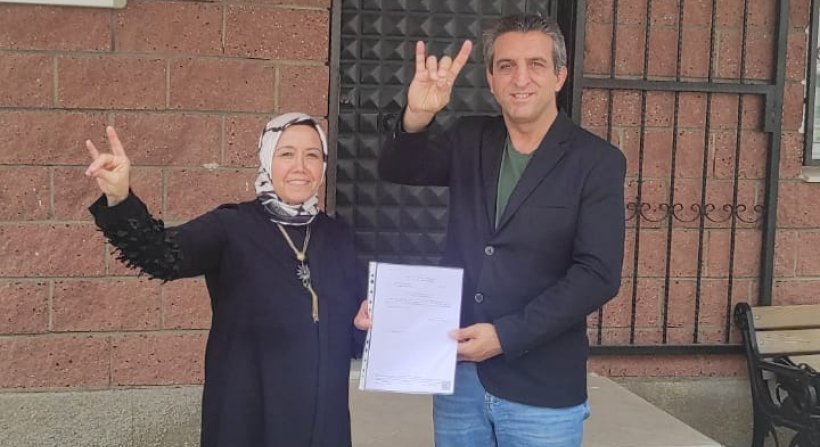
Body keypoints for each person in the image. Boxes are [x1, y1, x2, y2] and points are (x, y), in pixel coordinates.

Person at [363, 13, 626, 447]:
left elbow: (597, 275)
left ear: (560, 75)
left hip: (542, 389)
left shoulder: (596, 161)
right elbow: (400, 168)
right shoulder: (470, 137)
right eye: (506, 66)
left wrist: (506, 336)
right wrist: (417, 116)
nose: (520, 78)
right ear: (490, 78)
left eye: (535, 64)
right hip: (460, 379)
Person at [85, 112, 364, 447]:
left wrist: (363, 327)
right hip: (248, 417)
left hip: (321, 425)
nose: (300, 167)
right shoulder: (231, 227)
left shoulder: (339, 238)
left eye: (312, 155)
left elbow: (353, 336)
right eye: (287, 153)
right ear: (267, 158)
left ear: (324, 165)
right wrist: (120, 198)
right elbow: (161, 255)